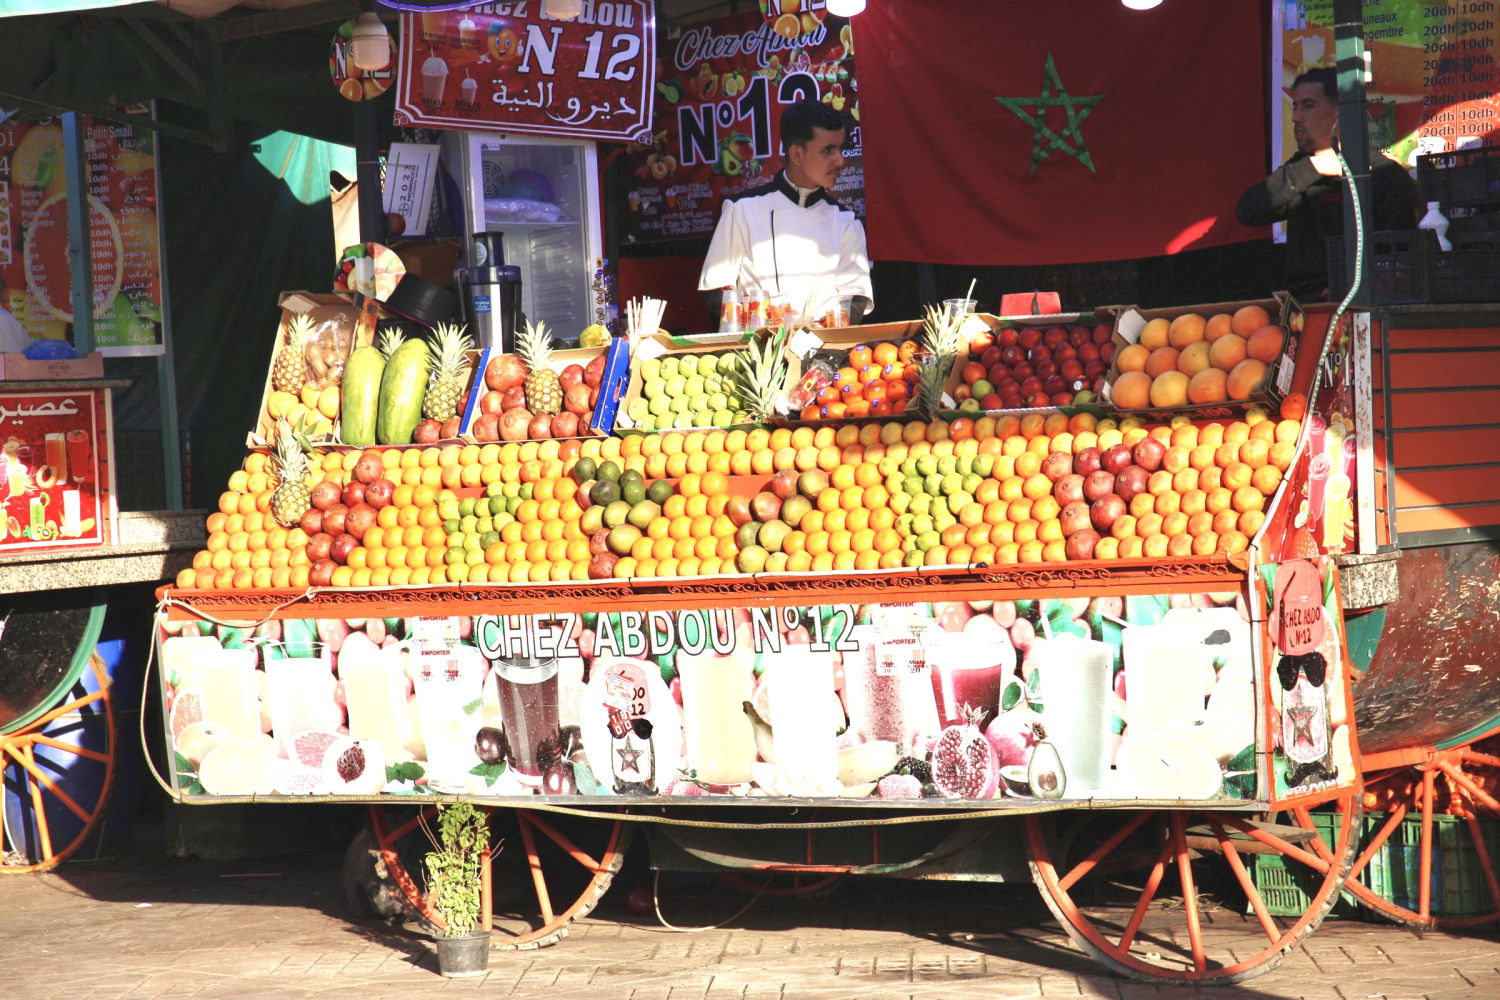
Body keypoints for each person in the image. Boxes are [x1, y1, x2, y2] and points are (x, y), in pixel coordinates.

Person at [1236, 67, 1417, 301]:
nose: (1296, 117)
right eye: (1295, 106)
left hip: (1365, 307)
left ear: (1343, 113)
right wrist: (1315, 167)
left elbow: (1401, 255)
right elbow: (1250, 211)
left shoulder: (1384, 174)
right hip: (1304, 307)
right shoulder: (1303, 168)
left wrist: (1354, 288)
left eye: (1308, 106)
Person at [699, 98, 872, 324]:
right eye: (828, 150)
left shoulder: (847, 222)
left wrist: (810, 338)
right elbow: (716, 289)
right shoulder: (741, 210)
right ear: (797, 154)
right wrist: (764, 321)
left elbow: (855, 299)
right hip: (759, 351)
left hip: (824, 351)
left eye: (840, 149)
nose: (840, 161)